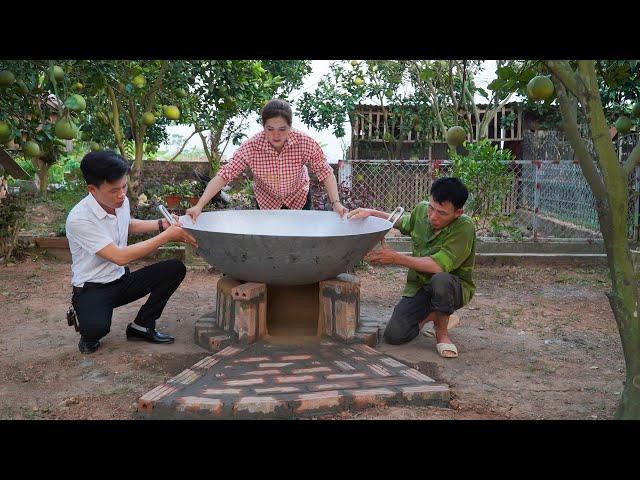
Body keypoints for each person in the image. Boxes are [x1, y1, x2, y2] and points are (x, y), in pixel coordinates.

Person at [65, 151, 198, 354]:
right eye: (114, 190)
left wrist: (161, 224)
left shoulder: (120, 202)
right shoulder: (79, 219)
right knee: (96, 330)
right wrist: (168, 236)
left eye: (124, 187)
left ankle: (142, 325)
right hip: (93, 288)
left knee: (174, 269)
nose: (121, 195)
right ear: (92, 189)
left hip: (120, 281)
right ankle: (85, 317)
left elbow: (126, 224)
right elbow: (119, 257)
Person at [347, 177, 476, 358]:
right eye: (431, 208)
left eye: (442, 213)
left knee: (441, 279)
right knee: (395, 335)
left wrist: (395, 258)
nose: (433, 216)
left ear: (458, 212)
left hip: (454, 288)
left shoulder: (465, 227)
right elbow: (402, 222)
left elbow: (438, 265)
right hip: (420, 286)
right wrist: (371, 213)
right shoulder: (422, 210)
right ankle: (435, 315)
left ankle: (442, 333)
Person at [186, 98, 348, 221]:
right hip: (266, 201)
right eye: (270, 129)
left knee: (297, 241)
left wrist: (336, 203)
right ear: (263, 127)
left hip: (299, 197)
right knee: (270, 243)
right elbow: (224, 175)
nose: (276, 135)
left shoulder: (304, 142)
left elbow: (325, 172)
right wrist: (199, 206)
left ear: (290, 127)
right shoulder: (252, 146)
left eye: (282, 129)